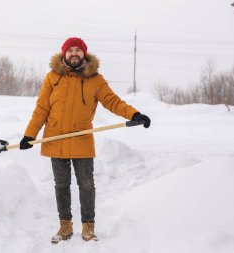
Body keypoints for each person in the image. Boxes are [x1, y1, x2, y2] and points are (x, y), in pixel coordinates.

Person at [20, 37, 151, 243]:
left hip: (81, 137)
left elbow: (113, 101)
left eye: (77, 50)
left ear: (84, 54)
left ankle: (88, 227)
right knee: (61, 185)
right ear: (64, 54)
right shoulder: (52, 77)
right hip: (56, 138)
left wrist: (134, 115)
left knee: (87, 185)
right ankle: (65, 226)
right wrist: (30, 135)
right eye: (70, 50)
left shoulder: (95, 79)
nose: (73, 53)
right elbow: (42, 108)